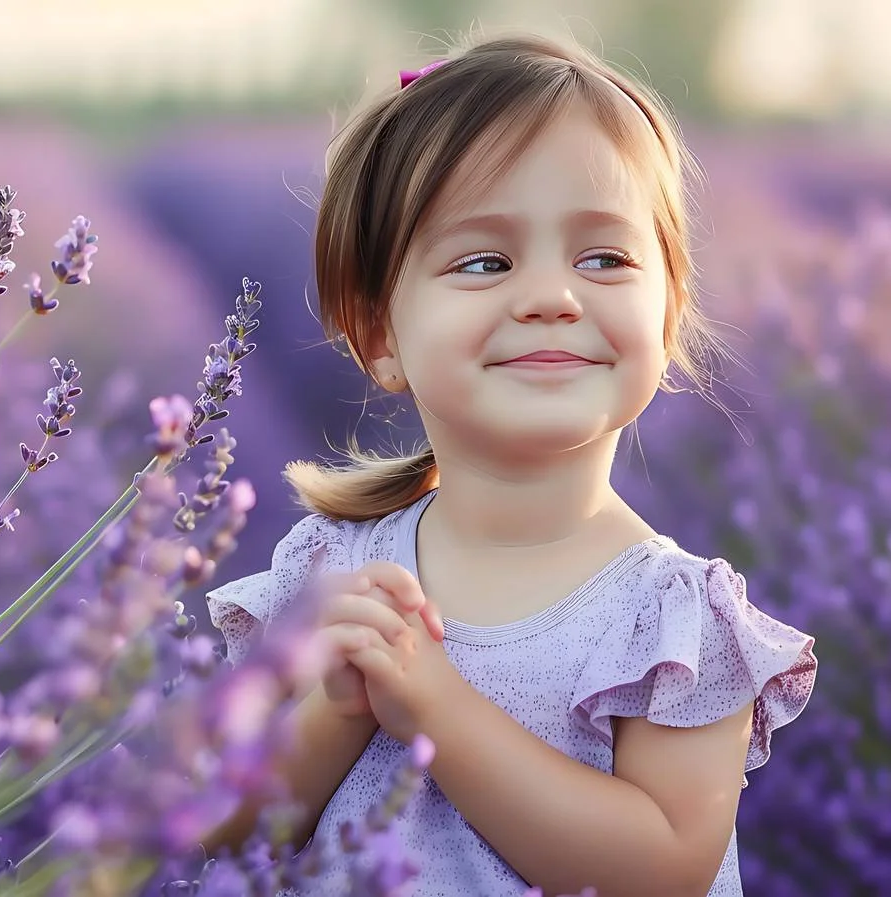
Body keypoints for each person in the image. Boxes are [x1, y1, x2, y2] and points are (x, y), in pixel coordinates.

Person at [200, 30, 818, 897]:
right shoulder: (332, 569)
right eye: (486, 261)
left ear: (668, 312)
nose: (553, 297)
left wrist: (439, 712)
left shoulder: (672, 623)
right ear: (379, 334)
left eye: (604, 258)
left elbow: (666, 869)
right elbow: (222, 831)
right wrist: (333, 710)